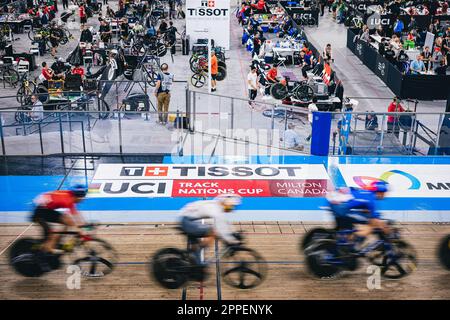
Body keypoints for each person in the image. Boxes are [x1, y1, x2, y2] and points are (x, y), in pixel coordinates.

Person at [31, 185, 88, 270]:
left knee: (67, 221)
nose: (83, 199)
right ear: (78, 196)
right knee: (52, 235)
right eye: (82, 197)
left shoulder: (70, 197)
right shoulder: (67, 200)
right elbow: (73, 217)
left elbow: (76, 215)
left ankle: (56, 241)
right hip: (40, 212)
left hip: (46, 209)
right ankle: (42, 258)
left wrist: (83, 225)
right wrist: (79, 229)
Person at [179, 194, 242, 266]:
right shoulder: (215, 208)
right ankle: (199, 250)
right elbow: (220, 227)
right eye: (231, 206)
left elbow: (225, 223)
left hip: (187, 220)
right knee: (213, 231)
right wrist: (232, 241)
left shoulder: (216, 207)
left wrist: (233, 233)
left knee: (196, 254)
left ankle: (194, 262)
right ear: (226, 203)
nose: (232, 209)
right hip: (187, 221)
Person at [326, 181, 390, 248]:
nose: (385, 195)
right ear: (380, 192)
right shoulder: (371, 198)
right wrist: (388, 233)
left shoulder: (366, 193)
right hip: (341, 208)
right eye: (384, 193)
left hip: (335, 204)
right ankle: (355, 245)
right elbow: (375, 219)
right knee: (370, 224)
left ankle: (341, 239)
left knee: (348, 224)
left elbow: (361, 206)